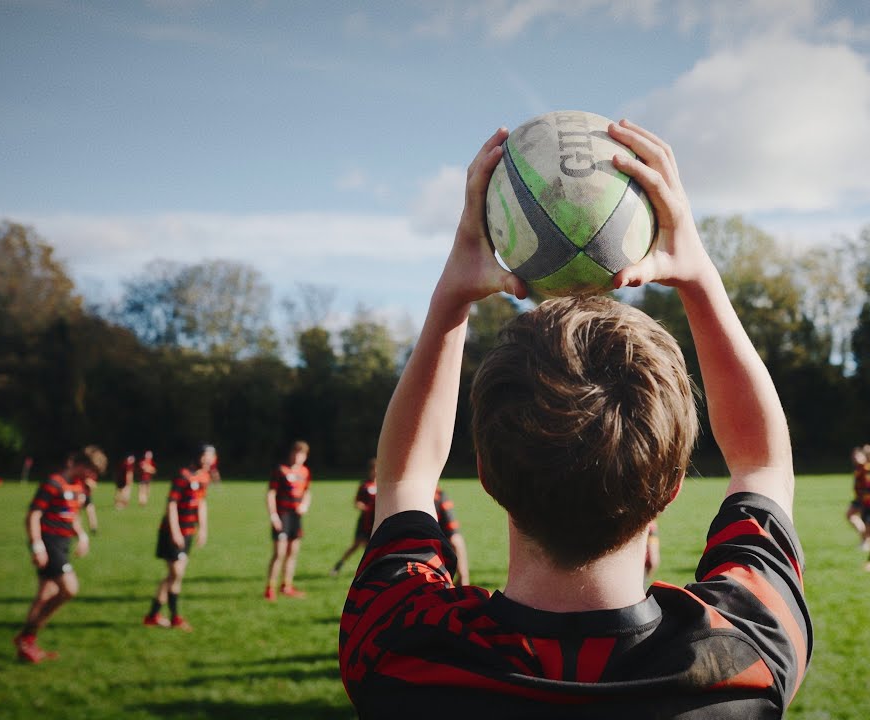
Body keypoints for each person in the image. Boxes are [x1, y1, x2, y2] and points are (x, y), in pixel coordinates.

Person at [339, 120, 810, 716]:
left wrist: (450, 297)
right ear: (671, 486)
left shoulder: (400, 653)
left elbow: (404, 479)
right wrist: (698, 273)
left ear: (485, 473)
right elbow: (762, 463)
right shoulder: (742, 662)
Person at [15, 446, 107, 663]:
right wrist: (37, 546)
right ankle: (27, 636)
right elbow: (33, 516)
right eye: (92, 471)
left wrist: (82, 536)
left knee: (45, 593)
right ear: (82, 465)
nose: (93, 477)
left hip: (63, 544)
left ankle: (27, 641)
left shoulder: (78, 487)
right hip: (49, 543)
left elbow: (71, 516)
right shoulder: (53, 483)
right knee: (69, 588)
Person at [143, 444, 213, 631]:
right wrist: (175, 532)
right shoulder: (183, 476)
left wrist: (203, 528)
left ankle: (153, 616)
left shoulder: (204, 477)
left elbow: (201, 503)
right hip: (172, 533)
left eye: (212, 457)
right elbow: (172, 504)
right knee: (176, 573)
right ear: (197, 456)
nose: (209, 460)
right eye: (206, 456)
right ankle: (174, 617)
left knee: (174, 575)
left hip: (188, 532)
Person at [265, 440, 311, 600]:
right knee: (279, 553)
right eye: (296, 453)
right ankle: (270, 588)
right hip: (282, 515)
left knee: (292, 552)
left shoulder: (305, 472)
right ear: (291, 454)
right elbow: (271, 493)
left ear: (305, 457)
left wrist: (305, 505)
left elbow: (307, 491)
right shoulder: (281, 470)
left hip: (295, 517)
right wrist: (273, 515)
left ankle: (287, 586)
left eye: (302, 454)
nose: (298, 457)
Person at [331, 459, 378, 577]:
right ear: (370, 471)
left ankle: (369, 571)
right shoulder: (364, 485)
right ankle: (339, 564)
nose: (375, 472)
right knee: (356, 545)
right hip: (365, 521)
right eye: (373, 469)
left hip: (376, 520)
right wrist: (365, 507)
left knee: (372, 548)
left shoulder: (382, 485)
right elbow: (357, 502)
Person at [433, 485, 470, 585]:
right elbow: (455, 540)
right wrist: (463, 577)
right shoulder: (437, 495)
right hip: (433, 569)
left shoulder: (394, 494)